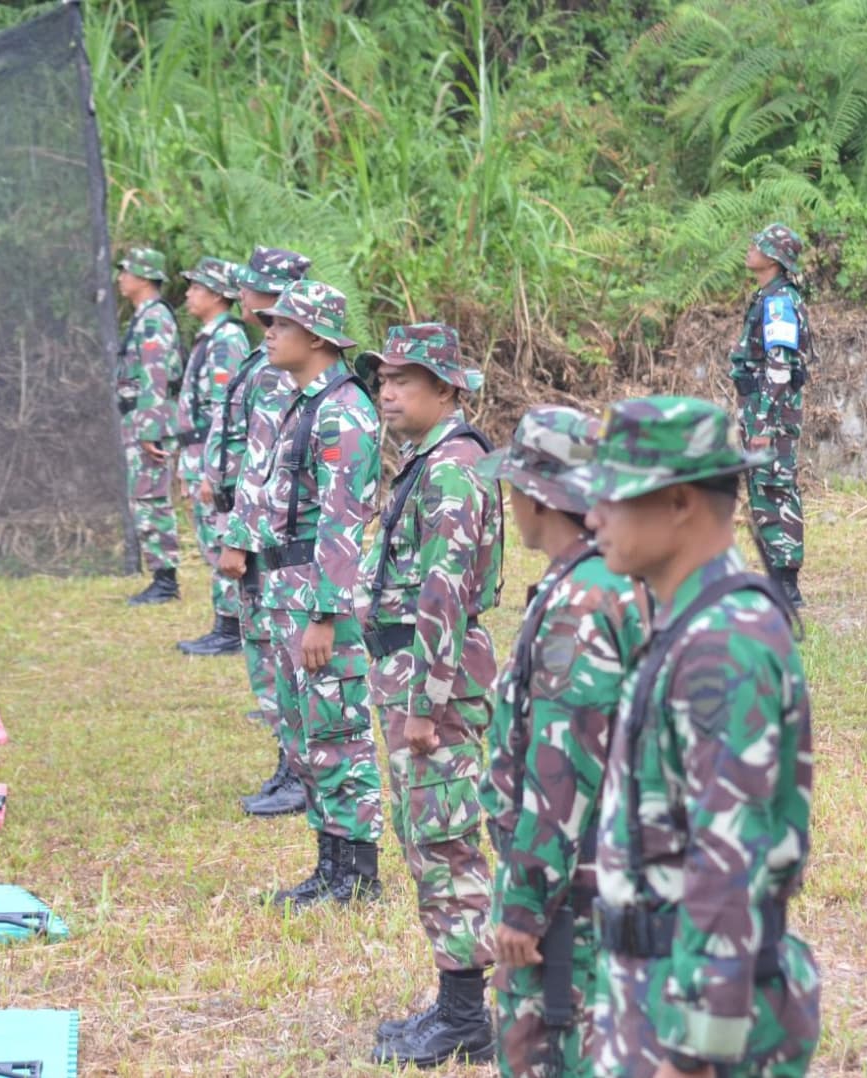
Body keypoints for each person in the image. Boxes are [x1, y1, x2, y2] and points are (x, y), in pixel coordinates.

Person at [573, 396, 821, 1077]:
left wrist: (697, 1045)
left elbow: (727, 850)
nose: (592, 518)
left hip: (695, 1017)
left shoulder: (726, 643)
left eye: (612, 497)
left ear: (679, 502)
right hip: (652, 987)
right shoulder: (689, 621)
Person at [475, 406, 647, 1078]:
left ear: (538, 495)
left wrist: (522, 905)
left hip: (569, 900)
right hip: (603, 885)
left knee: (553, 1050)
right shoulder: (610, 579)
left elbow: (563, 771)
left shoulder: (580, 603)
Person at [360, 323, 501, 1068]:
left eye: (404, 379)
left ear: (446, 390)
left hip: (434, 680)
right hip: (417, 673)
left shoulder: (451, 470)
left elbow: (445, 592)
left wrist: (425, 700)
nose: (387, 391)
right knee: (429, 839)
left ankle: (465, 1019)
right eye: (383, 378)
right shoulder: (429, 460)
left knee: (446, 844)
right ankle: (456, 1005)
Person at [217, 279, 384, 907]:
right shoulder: (297, 401)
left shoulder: (344, 411)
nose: (268, 334)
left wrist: (325, 614)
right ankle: (329, 866)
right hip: (283, 590)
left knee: (338, 732)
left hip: (317, 599)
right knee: (307, 734)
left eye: (280, 326)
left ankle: (358, 876)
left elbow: (345, 522)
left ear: (315, 337)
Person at [206, 246, 312, 817]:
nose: (242, 292)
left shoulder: (280, 367)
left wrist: (241, 536)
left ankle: (299, 769)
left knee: (279, 655)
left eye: (254, 285)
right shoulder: (265, 354)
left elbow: (266, 462)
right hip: (255, 526)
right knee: (267, 653)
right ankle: (289, 761)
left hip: (270, 535)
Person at [727, 223, 814, 607]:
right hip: (761, 411)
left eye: (759, 246)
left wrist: (761, 422)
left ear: (775, 259)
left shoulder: (779, 302)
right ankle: (777, 579)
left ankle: (787, 583)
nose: (751, 249)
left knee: (776, 489)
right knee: (764, 489)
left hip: (771, 415)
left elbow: (779, 367)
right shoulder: (768, 296)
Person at [174, 256, 250, 656]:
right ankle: (226, 623)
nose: (189, 294)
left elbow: (227, 411)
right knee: (210, 541)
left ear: (219, 296)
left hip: (212, 457)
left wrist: (213, 472)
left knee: (223, 542)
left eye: (197, 288)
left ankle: (231, 628)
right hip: (199, 453)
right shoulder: (211, 337)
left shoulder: (226, 341)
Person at [114, 246, 184, 606]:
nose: (120, 278)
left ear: (142, 276)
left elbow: (156, 376)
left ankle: (165, 579)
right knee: (143, 497)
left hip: (149, 423)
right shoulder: (145, 316)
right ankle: (160, 575)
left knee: (152, 498)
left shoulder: (155, 318)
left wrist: (150, 429)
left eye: (126, 271)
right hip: (140, 420)